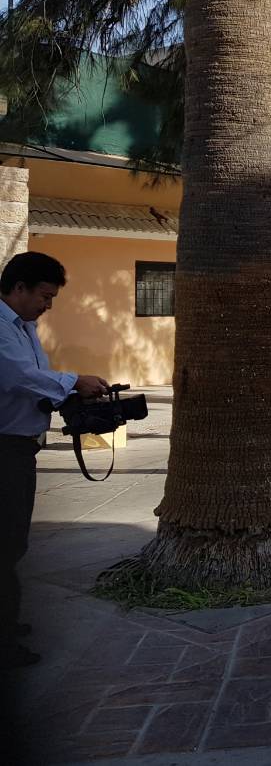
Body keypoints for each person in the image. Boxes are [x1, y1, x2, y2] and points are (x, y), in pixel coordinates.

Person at [0, 252, 108, 668]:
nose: (48, 305)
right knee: (4, 545)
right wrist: (72, 381)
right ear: (19, 287)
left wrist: (69, 392)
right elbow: (16, 376)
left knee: (13, 542)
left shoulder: (23, 327)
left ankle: (7, 622)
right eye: (44, 296)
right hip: (3, 450)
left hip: (19, 448)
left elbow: (31, 382)